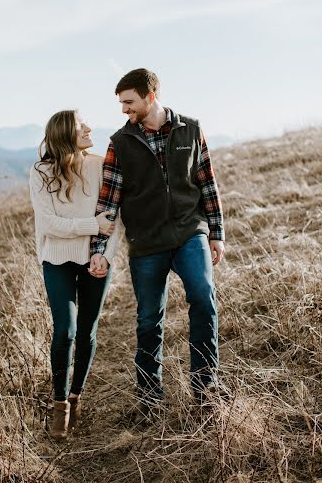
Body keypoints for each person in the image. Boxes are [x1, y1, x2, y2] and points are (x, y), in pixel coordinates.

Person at [90, 68, 225, 407]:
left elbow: (207, 183)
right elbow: (108, 201)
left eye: (129, 102)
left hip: (189, 232)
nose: (124, 110)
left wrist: (217, 233)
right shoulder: (120, 144)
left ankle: (205, 388)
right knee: (150, 318)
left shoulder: (191, 130)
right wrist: (99, 250)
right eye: (121, 103)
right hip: (147, 243)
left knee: (203, 297)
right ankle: (149, 396)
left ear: (150, 97)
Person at [29, 110, 119, 440]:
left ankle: (76, 396)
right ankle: (59, 405)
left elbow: (114, 216)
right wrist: (90, 227)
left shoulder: (98, 165)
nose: (89, 128)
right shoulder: (40, 172)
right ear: (65, 133)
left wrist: (105, 256)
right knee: (65, 329)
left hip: (95, 260)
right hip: (56, 260)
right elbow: (49, 224)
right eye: (82, 125)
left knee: (87, 330)